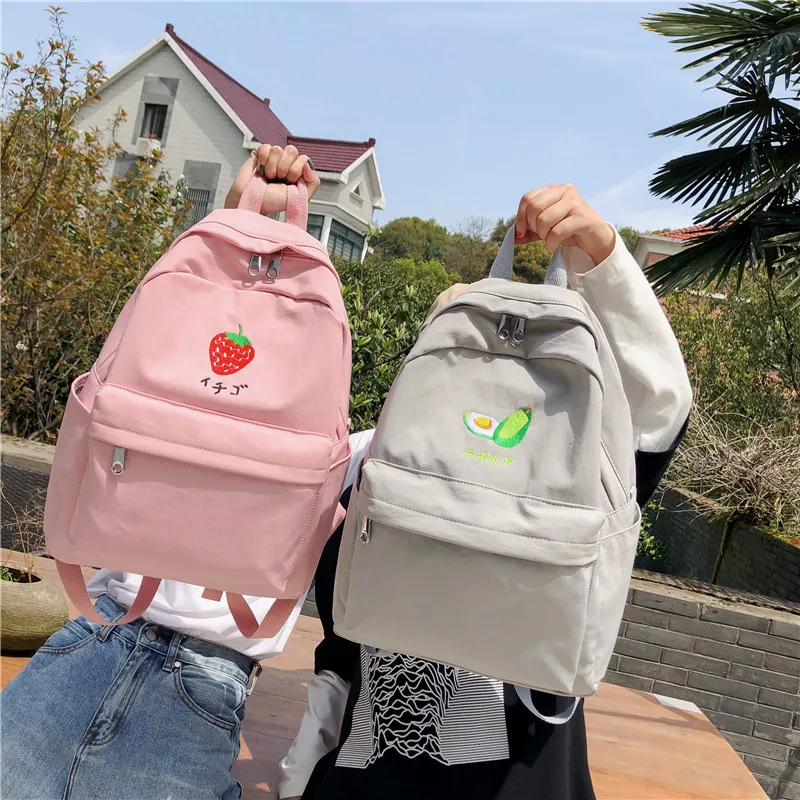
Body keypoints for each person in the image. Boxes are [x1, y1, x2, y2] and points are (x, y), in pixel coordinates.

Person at [278, 184, 693, 800]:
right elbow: (338, 664)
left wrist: (601, 260)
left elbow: (658, 407)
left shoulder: (575, 468)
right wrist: (300, 772)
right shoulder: (376, 475)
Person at [0, 144, 329, 800]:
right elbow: (171, 357)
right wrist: (234, 216)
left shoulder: (361, 446)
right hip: (97, 628)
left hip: (203, 676)